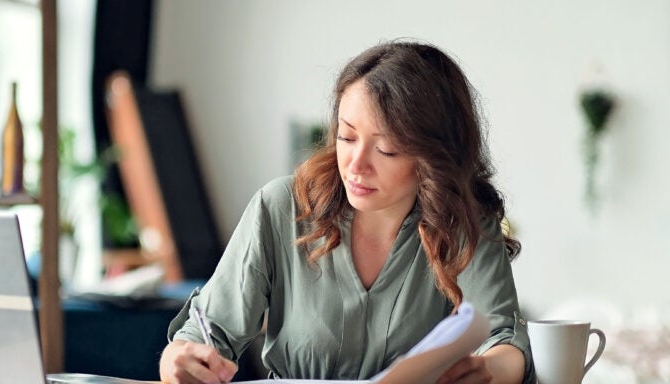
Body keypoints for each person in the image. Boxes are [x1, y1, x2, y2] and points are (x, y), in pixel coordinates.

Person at [159, 40, 535, 384]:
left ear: (434, 156)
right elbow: (204, 333)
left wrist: (488, 371)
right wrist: (180, 360)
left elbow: (502, 340)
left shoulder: (464, 222)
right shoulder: (280, 208)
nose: (356, 165)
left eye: (386, 148)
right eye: (347, 136)